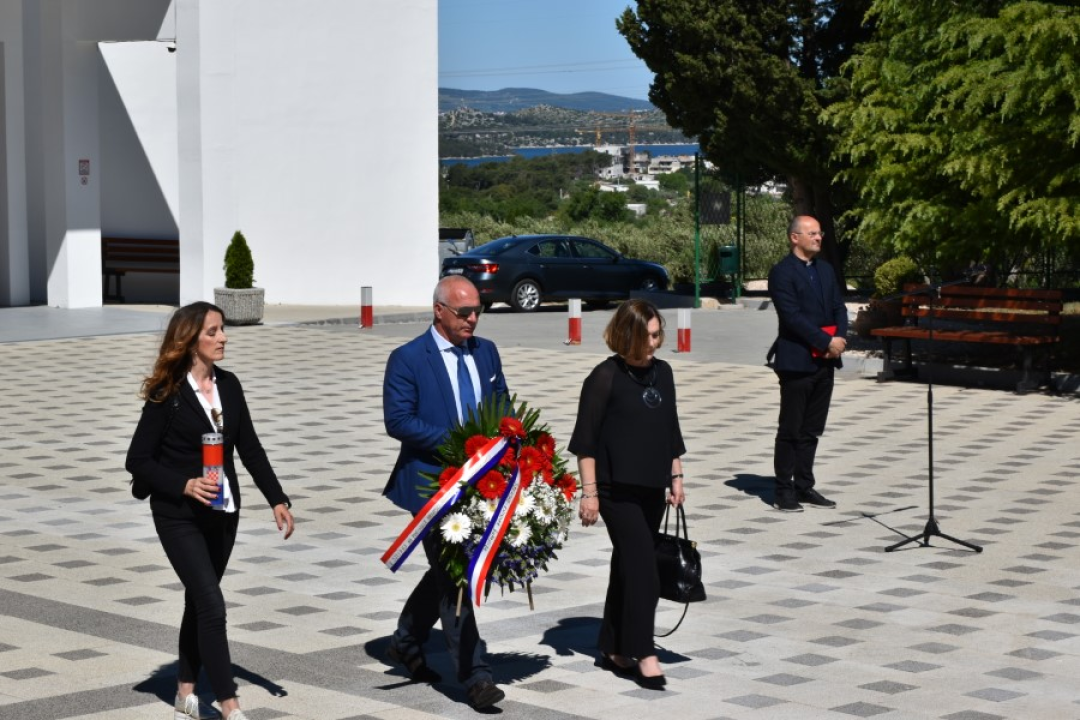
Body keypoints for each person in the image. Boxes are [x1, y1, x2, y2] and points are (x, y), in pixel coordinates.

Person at [126, 302, 294, 720]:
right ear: (190, 340)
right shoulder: (169, 393)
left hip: (223, 513)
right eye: (213, 332)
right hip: (178, 515)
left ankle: (185, 690)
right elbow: (138, 459)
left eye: (222, 330)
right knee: (212, 605)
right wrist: (183, 484)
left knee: (200, 602)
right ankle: (229, 703)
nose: (223, 338)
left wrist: (277, 499)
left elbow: (250, 448)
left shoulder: (230, 385)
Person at [381, 276, 509, 711]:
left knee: (450, 569)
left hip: (482, 482)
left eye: (477, 310)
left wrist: (508, 451)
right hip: (433, 485)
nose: (473, 319)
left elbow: (502, 407)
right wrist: (458, 445)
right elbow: (399, 420)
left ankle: (406, 640)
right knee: (456, 574)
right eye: (464, 312)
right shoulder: (408, 359)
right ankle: (476, 676)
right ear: (439, 310)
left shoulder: (485, 351)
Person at [569, 299, 686, 691]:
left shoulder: (663, 373)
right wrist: (590, 495)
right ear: (628, 335)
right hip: (615, 492)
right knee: (644, 573)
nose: (655, 343)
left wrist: (676, 477)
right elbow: (585, 442)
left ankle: (613, 646)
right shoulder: (604, 377)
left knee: (627, 568)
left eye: (657, 335)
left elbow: (670, 429)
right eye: (648, 335)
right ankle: (643, 651)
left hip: (653, 487)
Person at [766, 215, 848, 512]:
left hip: (825, 362)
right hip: (797, 361)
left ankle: (804, 486)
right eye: (812, 233)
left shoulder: (825, 270)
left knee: (812, 429)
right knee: (791, 428)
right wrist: (825, 342)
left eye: (820, 232)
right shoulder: (782, 273)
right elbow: (791, 316)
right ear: (794, 238)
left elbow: (839, 307)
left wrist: (839, 338)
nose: (818, 237)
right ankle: (782, 490)